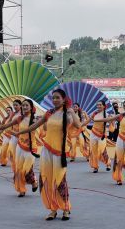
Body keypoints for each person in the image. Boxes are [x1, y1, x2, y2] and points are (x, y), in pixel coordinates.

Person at [15, 89, 82, 221]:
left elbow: (78, 125)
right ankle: (53, 209)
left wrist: (72, 112)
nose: (55, 100)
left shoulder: (67, 113)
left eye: (57, 98)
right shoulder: (49, 113)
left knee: (60, 181)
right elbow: (34, 126)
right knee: (47, 180)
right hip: (47, 151)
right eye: (53, 98)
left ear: (64, 99)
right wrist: (18, 133)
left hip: (60, 153)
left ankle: (66, 208)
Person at [92, 99, 125, 185]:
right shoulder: (121, 115)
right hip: (120, 139)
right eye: (124, 106)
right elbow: (109, 119)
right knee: (118, 159)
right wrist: (96, 120)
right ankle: (119, 178)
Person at [87, 100, 112, 173]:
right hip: (93, 133)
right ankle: (95, 167)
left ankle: (108, 163)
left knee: (102, 150)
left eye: (100, 105)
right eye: (97, 105)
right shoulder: (94, 114)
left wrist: (111, 120)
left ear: (104, 106)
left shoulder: (107, 115)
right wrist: (81, 125)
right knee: (93, 151)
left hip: (102, 135)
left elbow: (109, 125)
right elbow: (88, 120)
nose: (98, 106)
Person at [0, 100, 22, 167]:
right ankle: (4, 162)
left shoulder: (22, 114)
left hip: (18, 135)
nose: (15, 106)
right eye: (14, 105)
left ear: (20, 105)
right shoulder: (7, 118)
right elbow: (4, 126)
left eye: (16, 105)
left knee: (18, 153)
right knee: (6, 150)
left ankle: (19, 167)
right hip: (9, 136)